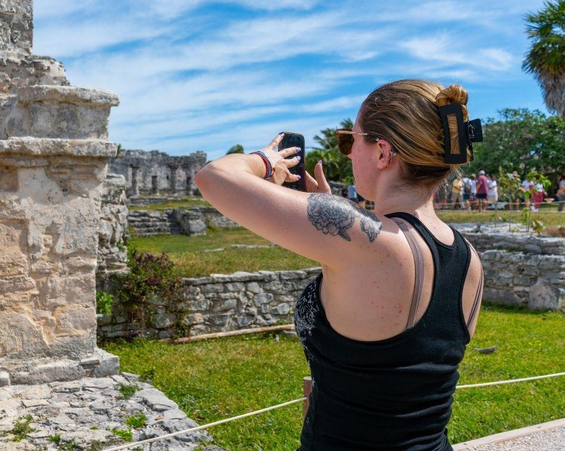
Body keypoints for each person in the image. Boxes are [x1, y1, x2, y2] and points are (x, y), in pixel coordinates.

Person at [195, 80, 484, 451]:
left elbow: (212, 176)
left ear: (382, 152)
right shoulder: (468, 257)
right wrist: (334, 221)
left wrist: (266, 160)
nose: (347, 154)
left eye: (350, 140)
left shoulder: (363, 241)